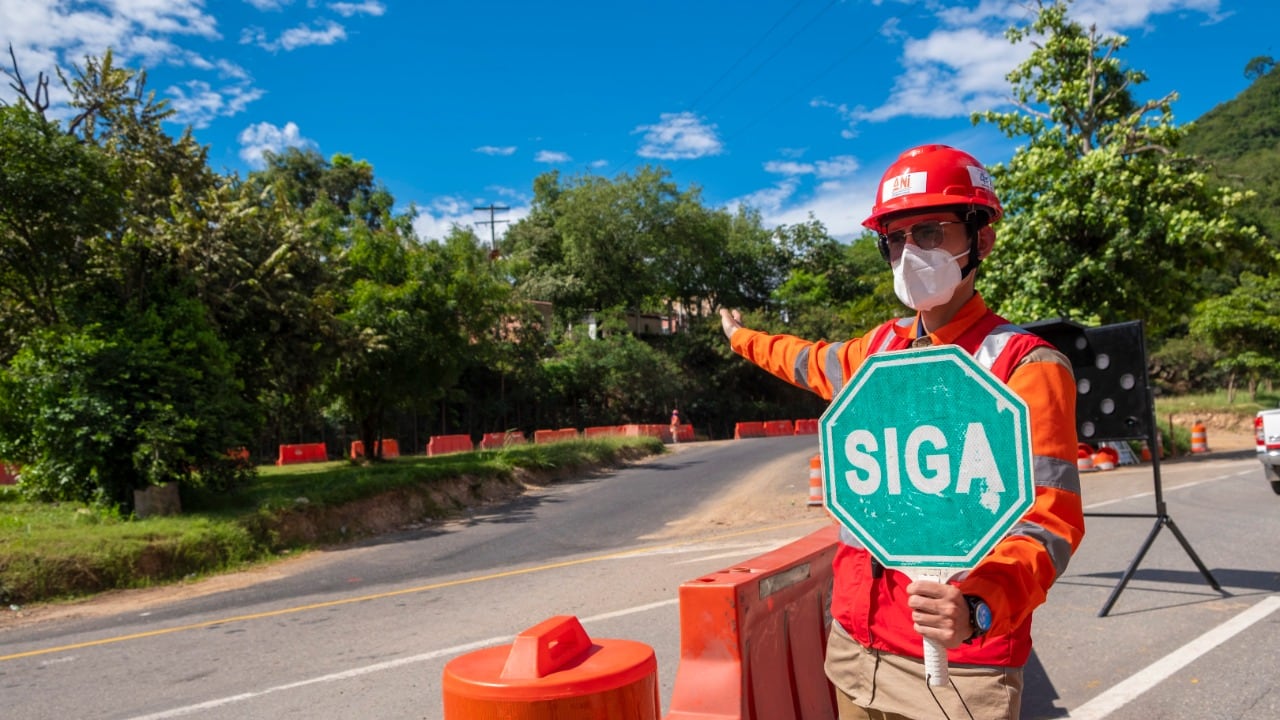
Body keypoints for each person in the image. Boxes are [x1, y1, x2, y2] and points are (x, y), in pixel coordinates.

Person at [719, 144, 1085, 719]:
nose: (910, 251)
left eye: (932, 232)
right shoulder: (879, 351)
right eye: (896, 237)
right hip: (854, 650)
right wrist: (740, 338)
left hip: (960, 664)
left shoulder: (1025, 365)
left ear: (980, 239)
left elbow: (1050, 523)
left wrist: (978, 605)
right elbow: (805, 359)